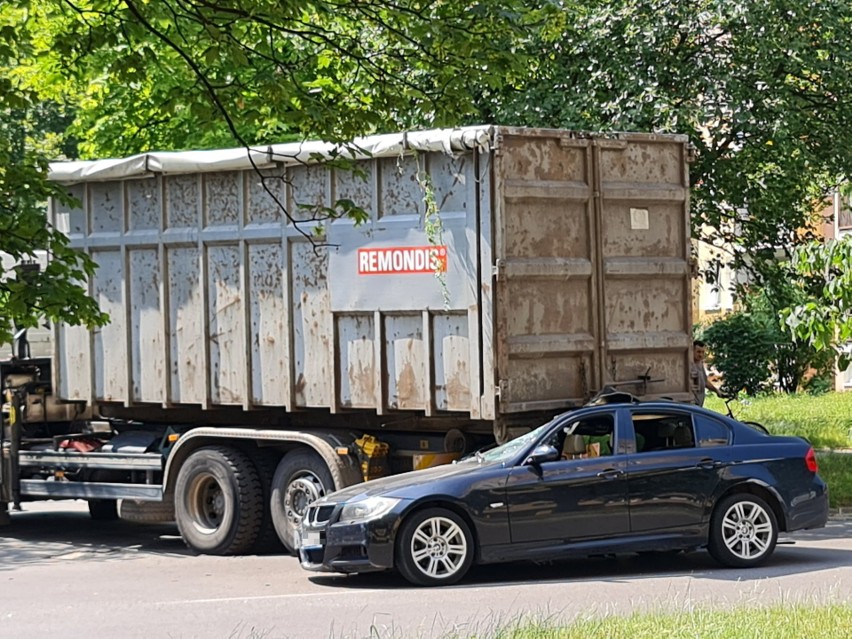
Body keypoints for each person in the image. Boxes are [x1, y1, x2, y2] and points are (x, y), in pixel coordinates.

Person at [691, 340, 719, 407]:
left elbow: (705, 382)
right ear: (692, 351)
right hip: (692, 403)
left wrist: (716, 391)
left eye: (702, 352)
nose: (700, 355)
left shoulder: (700, 363)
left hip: (700, 403)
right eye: (698, 352)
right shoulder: (690, 365)